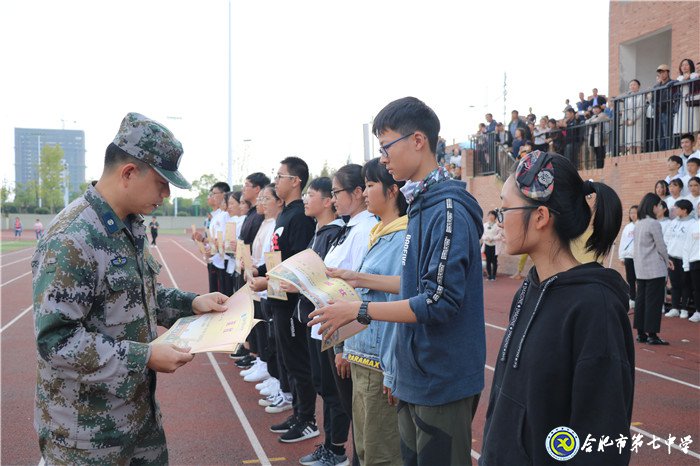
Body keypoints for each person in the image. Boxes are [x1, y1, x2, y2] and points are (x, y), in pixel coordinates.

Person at [31, 113, 228, 465]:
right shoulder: (72, 238)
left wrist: (193, 303)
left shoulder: (130, 225)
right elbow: (56, 342)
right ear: (128, 173)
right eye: (162, 183)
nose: (166, 195)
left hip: (138, 418)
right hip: (86, 436)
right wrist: (145, 356)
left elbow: (143, 296)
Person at [310, 97, 486, 466]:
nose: (384, 159)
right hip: (414, 372)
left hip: (440, 377)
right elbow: (413, 286)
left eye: (386, 147)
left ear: (418, 141)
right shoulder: (422, 204)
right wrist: (357, 281)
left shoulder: (448, 207)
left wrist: (359, 310)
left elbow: (438, 301)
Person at [480, 150, 633, 465]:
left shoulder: (595, 307)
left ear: (540, 217)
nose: (498, 217)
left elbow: (602, 441)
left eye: (505, 208)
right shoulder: (529, 287)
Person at [340, 158, 407, 466]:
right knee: (366, 448)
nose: (364, 193)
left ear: (392, 190)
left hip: (380, 361)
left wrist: (392, 370)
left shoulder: (401, 238)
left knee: (380, 453)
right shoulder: (379, 233)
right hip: (363, 355)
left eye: (369, 185)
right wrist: (344, 346)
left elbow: (402, 302)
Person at [249, 158, 318, 443]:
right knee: (288, 360)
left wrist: (269, 279)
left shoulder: (300, 216)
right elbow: (279, 258)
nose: (276, 180)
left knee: (298, 363)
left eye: (280, 176)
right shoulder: (285, 215)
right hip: (277, 297)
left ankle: (307, 420)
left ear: (296, 181)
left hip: (290, 302)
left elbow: (298, 262)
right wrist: (260, 271)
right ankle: (298, 412)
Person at [293, 177, 348, 466]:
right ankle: (330, 445)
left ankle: (336, 449)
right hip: (316, 320)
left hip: (329, 320)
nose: (305, 199)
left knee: (334, 390)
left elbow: (323, 278)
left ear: (328, 201)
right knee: (324, 386)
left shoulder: (335, 233)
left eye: (311, 194)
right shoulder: (319, 232)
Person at [634, 193, 673, 345]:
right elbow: (661, 246)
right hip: (655, 268)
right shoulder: (654, 224)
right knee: (654, 303)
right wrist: (667, 259)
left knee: (641, 301)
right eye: (658, 205)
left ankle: (641, 333)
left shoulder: (638, 224)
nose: (659, 208)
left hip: (641, 268)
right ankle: (652, 335)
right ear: (653, 206)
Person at [663, 199, 695, 319]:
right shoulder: (673, 222)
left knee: (685, 284)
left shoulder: (692, 223)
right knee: (675, 284)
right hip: (672, 257)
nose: (674, 210)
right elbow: (667, 238)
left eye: (677, 208)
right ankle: (675, 308)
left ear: (684, 210)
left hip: (685, 258)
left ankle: (684, 309)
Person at [682, 203, 700, 322]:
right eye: (699, 208)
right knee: (697, 289)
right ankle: (698, 311)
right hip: (695, 261)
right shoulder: (693, 226)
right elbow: (686, 246)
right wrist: (686, 265)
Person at [619, 205, 639, 310]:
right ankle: (632, 298)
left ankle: (640, 298)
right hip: (628, 257)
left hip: (640, 258)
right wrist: (621, 256)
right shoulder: (628, 227)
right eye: (631, 213)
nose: (633, 215)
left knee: (640, 279)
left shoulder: (642, 225)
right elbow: (623, 242)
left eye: (635, 212)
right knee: (630, 279)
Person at [653, 64, 677, 151]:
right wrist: (655, 107)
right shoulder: (656, 86)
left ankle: (668, 150)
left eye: (663, 72)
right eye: (660, 72)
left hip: (668, 110)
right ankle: (662, 151)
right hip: (658, 112)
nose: (662, 74)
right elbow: (653, 100)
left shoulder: (674, 83)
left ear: (668, 72)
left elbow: (674, 96)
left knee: (668, 132)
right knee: (659, 134)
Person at [673, 59, 700, 137]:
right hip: (682, 104)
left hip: (692, 102)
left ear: (691, 66)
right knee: (683, 125)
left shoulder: (695, 76)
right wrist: (684, 79)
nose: (684, 67)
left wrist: (689, 79)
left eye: (686, 64)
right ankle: (684, 145)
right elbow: (674, 91)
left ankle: (693, 144)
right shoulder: (679, 78)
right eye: (682, 65)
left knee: (693, 125)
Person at [623, 79, 645, 154]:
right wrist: (625, 120)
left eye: (634, 84)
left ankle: (638, 155)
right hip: (628, 121)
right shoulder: (627, 98)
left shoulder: (641, 95)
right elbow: (624, 109)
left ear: (638, 86)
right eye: (631, 85)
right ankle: (631, 156)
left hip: (637, 120)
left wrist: (633, 119)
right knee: (630, 140)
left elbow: (641, 108)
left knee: (637, 139)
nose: (632, 86)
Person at [481, 210, 503, 281]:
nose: (491, 216)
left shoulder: (497, 225)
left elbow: (500, 235)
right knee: (488, 261)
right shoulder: (485, 225)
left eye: (492, 215)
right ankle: (489, 276)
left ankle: (493, 276)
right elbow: (482, 234)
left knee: (494, 261)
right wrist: (486, 238)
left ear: (495, 216)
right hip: (487, 245)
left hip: (494, 245)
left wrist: (492, 238)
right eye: (489, 215)